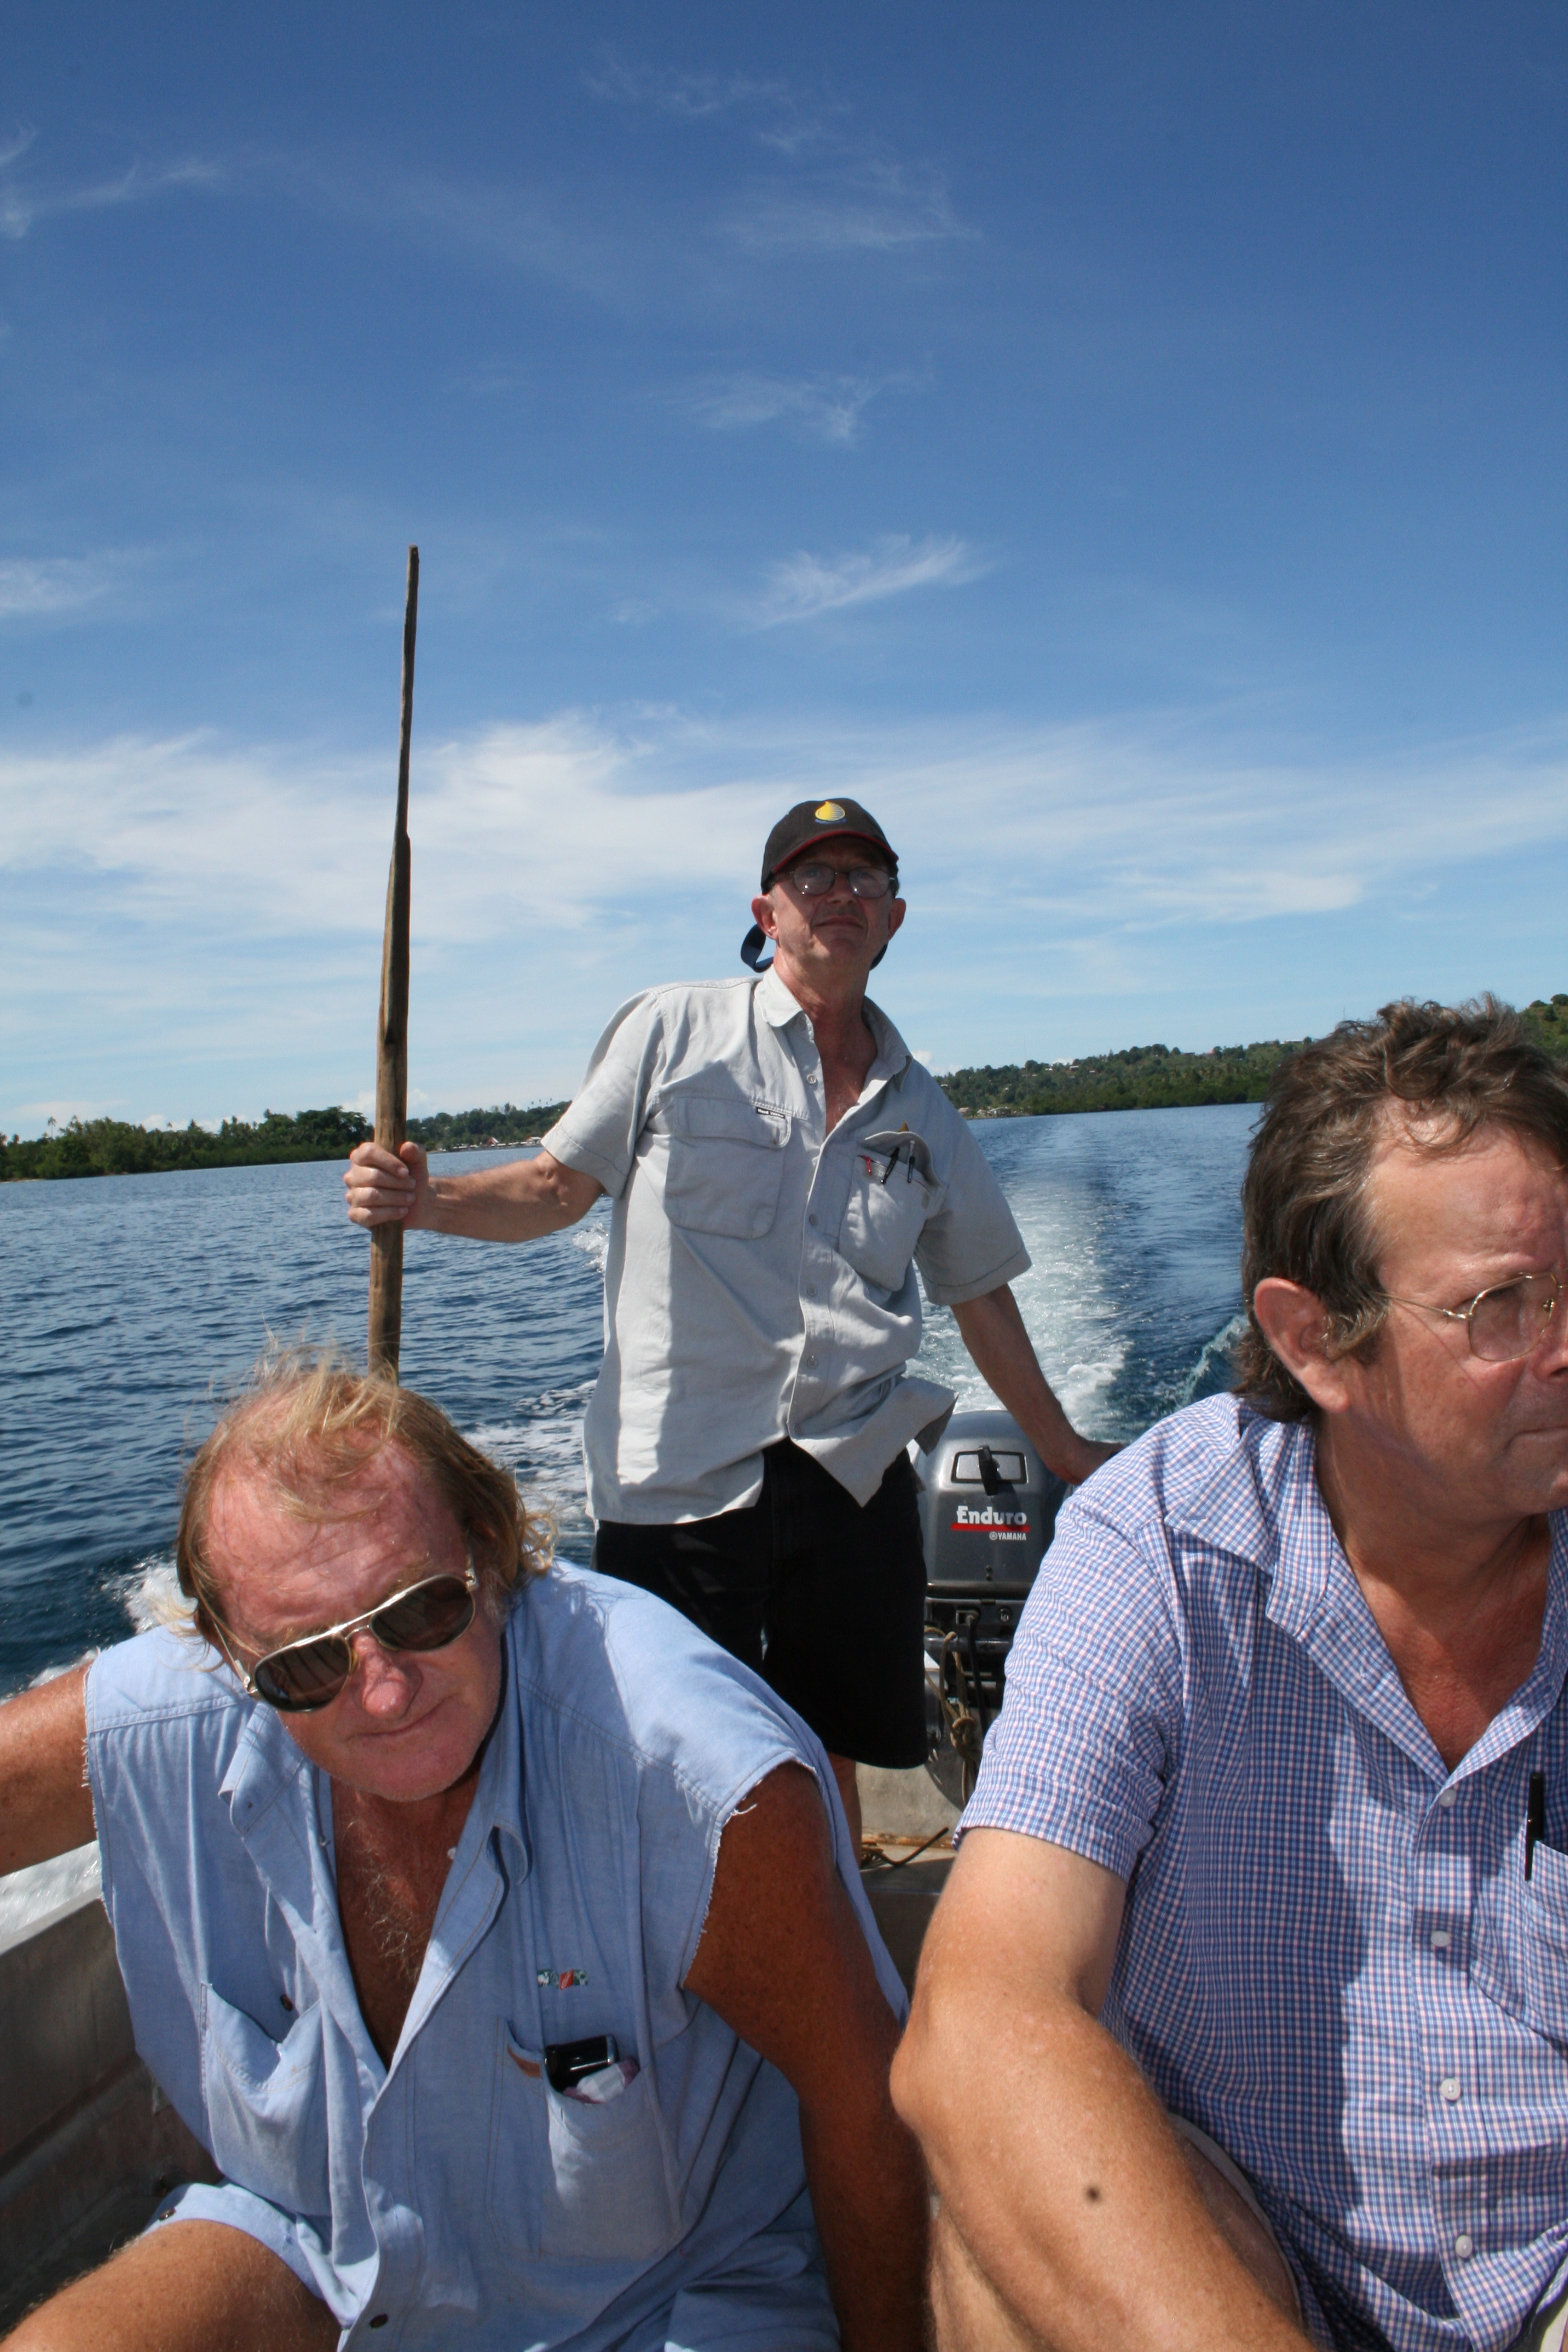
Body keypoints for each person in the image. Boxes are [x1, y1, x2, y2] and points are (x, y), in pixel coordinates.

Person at [0, 1351, 927, 2352]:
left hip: (664, 2302)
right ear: (229, 1654)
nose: (385, 1693)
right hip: (325, 2259)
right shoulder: (180, 1713)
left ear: (492, 1548)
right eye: (307, 1664)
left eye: (420, 1612)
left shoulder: (695, 1781)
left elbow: (868, 2108)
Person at [894, 998, 1568, 2352]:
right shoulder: (1158, 1542)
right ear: (1317, 1342)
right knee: (1000, 2230)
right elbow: (985, 2016)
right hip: (1242, 2251)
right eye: (1504, 1307)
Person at [345, 798, 1116, 1843]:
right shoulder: (673, 1031)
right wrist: (424, 1200)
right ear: (768, 912)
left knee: (831, 1750)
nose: (841, 895)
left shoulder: (922, 1110)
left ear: (894, 918)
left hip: (851, 1474)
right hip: (682, 1480)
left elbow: (980, 1290)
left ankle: (830, 1916)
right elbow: (556, 1189)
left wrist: (1065, 1451)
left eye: (866, 878)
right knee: (670, 1758)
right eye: (814, 877)